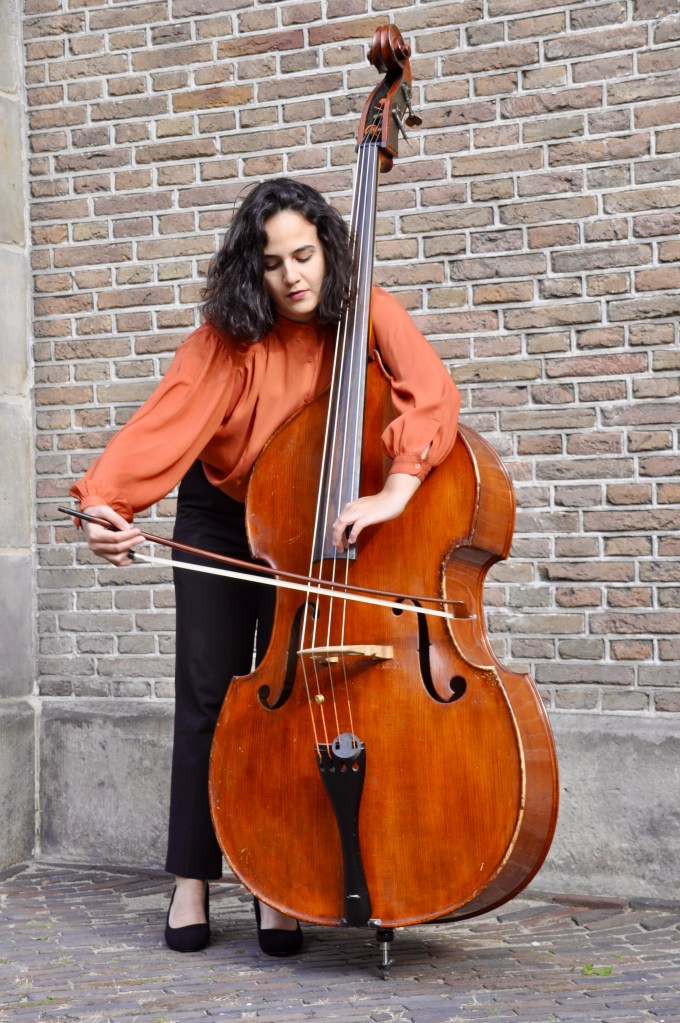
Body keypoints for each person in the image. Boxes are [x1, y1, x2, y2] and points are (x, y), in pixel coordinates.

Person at [69, 177, 461, 956]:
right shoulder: (229, 337)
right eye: (274, 262)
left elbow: (431, 394)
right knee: (209, 695)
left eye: (304, 255)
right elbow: (163, 423)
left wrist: (395, 491)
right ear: (255, 269)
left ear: (328, 249)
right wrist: (104, 505)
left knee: (289, 702)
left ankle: (275, 884)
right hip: (222, 513)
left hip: (309, 522)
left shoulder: (368, 312)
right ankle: (191, 879)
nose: (293, 276)